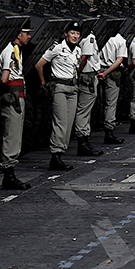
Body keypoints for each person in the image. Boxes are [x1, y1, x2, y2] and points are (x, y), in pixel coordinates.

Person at [38, 26, 88, 170]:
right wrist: (43, 83)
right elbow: (39, 65)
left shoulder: (78, 50)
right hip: (59, 86)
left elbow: (78, 66)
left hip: (72, 88)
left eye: (78, 33)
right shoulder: (57, 48)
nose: (75, 36)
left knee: (68, 123)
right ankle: (55, 155)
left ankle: (61, 152)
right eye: (72, 33)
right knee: (61, 122)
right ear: (66, 34)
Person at [0, 25, 36, 189]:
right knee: (12, 135)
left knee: (14, 134)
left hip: (16, 96)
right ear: (19, 34)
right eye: (27, 33)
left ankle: (10, 172)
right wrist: (0, 90)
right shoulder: (10, 51)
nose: (29, 37)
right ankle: (8, 175)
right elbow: (5, 78)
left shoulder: (15, 50)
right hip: (13, 97)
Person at [71, 23, 102, 155]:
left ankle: (85, 140)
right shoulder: (89, 37)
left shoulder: (88, 36)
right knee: (83, 110)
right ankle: (82, 142)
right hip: (87, 76)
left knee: (85, 110)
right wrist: (78, 73)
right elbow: (85, 57)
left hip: (88, 75)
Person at [95, 26, 128, 146]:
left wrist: (101, 71)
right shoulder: (120, 40)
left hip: (100, 71)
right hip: (112, 72)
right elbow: (119, 60)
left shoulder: (100, 37)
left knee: (101, 101)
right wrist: (106, 73)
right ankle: (109, 131)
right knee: (111, 104)